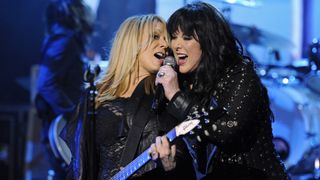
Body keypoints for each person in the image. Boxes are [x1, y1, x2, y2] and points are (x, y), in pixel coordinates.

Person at [151, 2, 289, 179]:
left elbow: (229, 130)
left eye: (186, 38)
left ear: (208, 41)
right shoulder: (185, 83)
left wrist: (176, 97)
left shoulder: (239, 73)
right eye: (173, 37)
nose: (177, 45)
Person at [62, 14, 196, 179]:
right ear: (132, 43)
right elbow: (78, 164)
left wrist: (171, 166)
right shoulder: (95, 97)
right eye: (155, 37)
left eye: (165, 39)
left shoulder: (164, 99)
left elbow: (185, 155)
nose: (165, 44)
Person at [35, 0, 94, 178]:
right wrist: (73, 113)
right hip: (61, 129)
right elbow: (46, 84)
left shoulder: (67, 40)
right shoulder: (64, 41)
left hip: (64, 127)